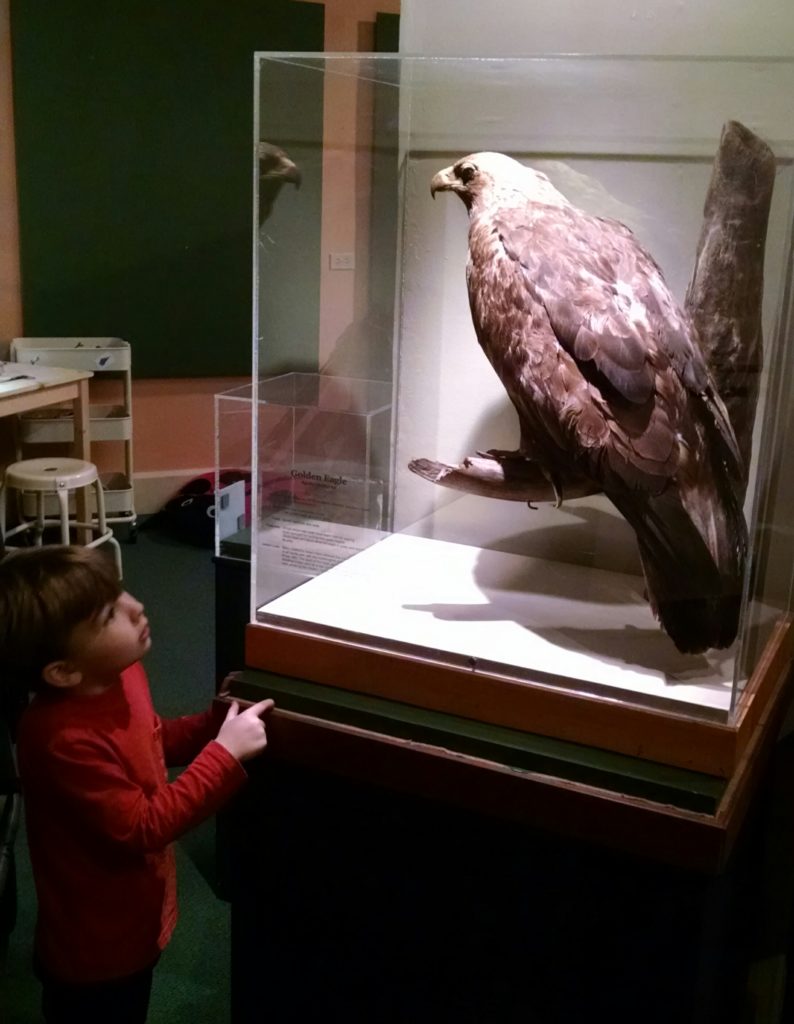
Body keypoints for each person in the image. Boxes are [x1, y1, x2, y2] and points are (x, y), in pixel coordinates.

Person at [0, 544, 273, 1023]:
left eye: (120, 592)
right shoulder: (60, 739)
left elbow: (150, 741)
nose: (136, 606)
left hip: (135, 919)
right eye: (109, 614)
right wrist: (224, 755)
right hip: (95, 951)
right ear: (63, 671)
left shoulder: (121, 675)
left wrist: (212, 724)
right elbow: (143, 826)